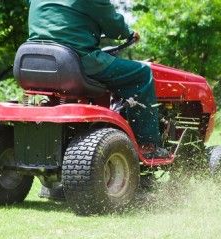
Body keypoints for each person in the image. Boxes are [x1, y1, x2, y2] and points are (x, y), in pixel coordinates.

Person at [26, 0, 168, 158]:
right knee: (142, 74)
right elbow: (115, 28)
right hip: (74, 60)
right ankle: (147, 145)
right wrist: (129, 33)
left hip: (30, 61)